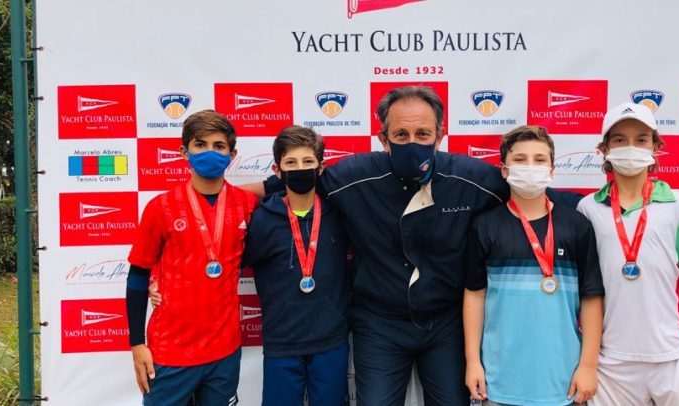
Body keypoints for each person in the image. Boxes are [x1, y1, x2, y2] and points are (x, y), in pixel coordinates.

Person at [248, 85, 582, 405]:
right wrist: (227, 196)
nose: (412, 143)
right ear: (383, 139)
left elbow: (531, 193)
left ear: (440, 136)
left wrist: (595, 204)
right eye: (401, 135)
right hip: (378, 324)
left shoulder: (470, 177)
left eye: (423, 134)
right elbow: (291, 181)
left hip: (445, 323)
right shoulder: (353, 176)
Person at [576, 103, 679, 405]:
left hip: (674, 358)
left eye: (641, 139)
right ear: (604, 149)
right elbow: (588, 289)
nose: (631, 147)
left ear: (655, 147)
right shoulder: (588, 208)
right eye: (620, 139)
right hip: (611, 362)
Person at [463, 125, 604, 405]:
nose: (530, 166)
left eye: (539, 160)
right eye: (520, 159)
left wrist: (588, 366)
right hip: (499, 381)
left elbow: (591, 298)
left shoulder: (577, 225)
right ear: (504, 170)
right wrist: (473, 362)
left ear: (551, 170)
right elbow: (475, 295)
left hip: (563, 381)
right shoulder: (485, 225)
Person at [125, 109, 258, 405]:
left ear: (232, 154)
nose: (210, 152)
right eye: (200, 144)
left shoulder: (246, 204)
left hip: (224, 351)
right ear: (184, 152)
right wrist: (136, 344)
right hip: (170, 352)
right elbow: (137, 276)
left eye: (219, 146)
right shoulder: (160, 207)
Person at [242, 125, 351, 405]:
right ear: (277, 171)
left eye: (307, 161)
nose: (300, 168)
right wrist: (162, 281)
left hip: (330, 339)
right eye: (291, 163)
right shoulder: (262, 219)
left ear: (321, 167)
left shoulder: (340, 213)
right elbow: (227, 263)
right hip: (282, 342)